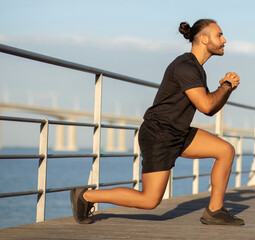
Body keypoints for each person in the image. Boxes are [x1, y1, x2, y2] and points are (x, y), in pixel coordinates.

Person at [70, 19, 244, 226]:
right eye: (219, 35)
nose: (224, 40)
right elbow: (206, 107)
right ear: (204, 39)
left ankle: (214, 211)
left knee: (225, 150)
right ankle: (85, 196)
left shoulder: (197, 68)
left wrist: (226, 89)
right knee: (149, 200)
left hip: (178, 132)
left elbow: (211, 107)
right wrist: (225, 86)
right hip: (158, 135)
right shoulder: (185, 67)